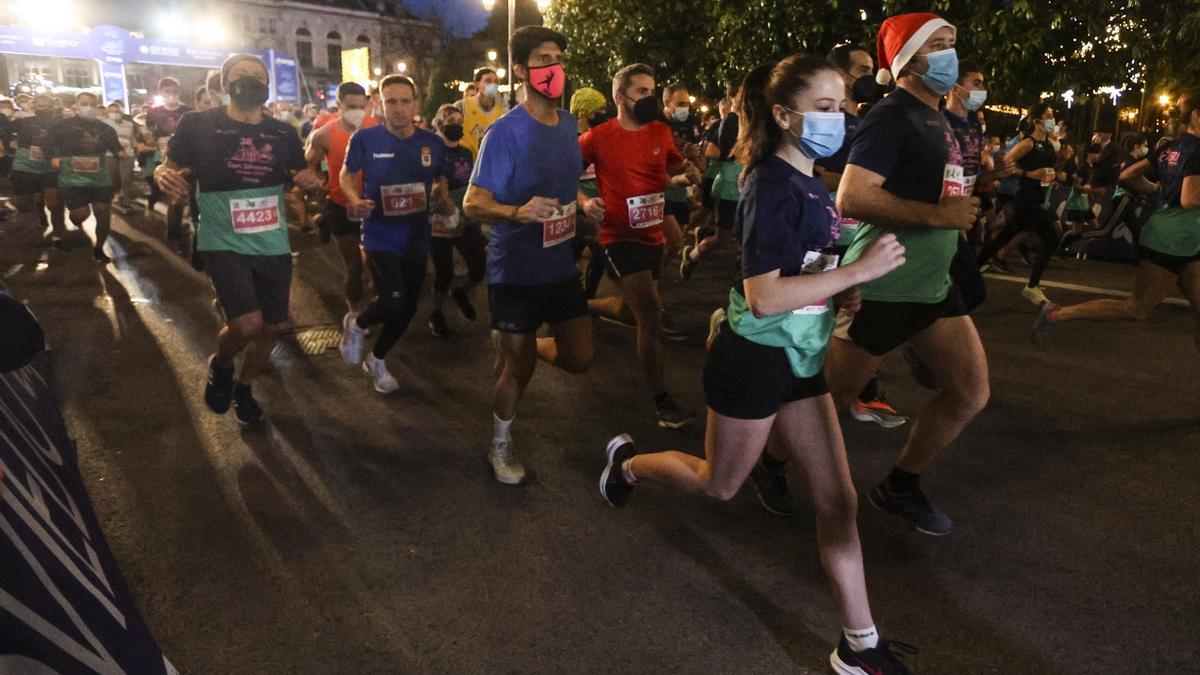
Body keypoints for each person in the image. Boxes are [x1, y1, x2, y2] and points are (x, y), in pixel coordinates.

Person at [598, 54, 916, 674]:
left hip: (799, 362)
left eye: (841, 106)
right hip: (753, 360)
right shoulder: (771, 183)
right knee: (719, 484)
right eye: (824, 108)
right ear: (782, 115)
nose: (839, 118)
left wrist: (838, 287)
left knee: (838, 500)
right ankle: (628, 464)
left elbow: (803, 273)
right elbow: (765, 294)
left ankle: (860, 644)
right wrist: (861, 270)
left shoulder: (810, 182)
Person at [826, 12, 987, 537]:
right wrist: (939, 216)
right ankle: (770, 464)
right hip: (886, 283)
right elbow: (852, 196)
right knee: (826, 400)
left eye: (951, 43)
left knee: (968, 393)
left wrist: (955, 214)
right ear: (907, 61)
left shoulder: (945, 116)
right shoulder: (891, 114)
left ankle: (900, 484)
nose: (949, 55)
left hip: (934, 285)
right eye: (937, 45)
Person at [154, 54, 322, 425]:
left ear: (268, 86)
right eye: (241, 74)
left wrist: (310, 182)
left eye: (258, 76)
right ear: (224, 83)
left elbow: (301, 174)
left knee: (272, 327)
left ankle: (244, 389)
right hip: (222, 239)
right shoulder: (198, 124)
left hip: (272, 241)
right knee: (246, 326)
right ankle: (223, 362)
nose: (251, 80)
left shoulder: (282, 132)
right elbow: (168, 163)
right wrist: (163, 174)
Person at [463, 26, 596, 485]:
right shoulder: (503, 134)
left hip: (559, 266)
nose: (553, 67)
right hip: (514, 270)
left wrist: (582, 202)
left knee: (580, 357)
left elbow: (566, 183)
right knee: (516, 369)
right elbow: (473, 203)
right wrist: (517, 211)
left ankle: (524, 347)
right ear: (519, 70)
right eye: (542, 59)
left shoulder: (569, 127)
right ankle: (500, 444)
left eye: (557, 57)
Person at [1033, 87, 1200, 350]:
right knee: (1137, 308)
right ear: (1196, 116)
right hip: (1170, 243)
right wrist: (1166, 193)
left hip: (1186, 241)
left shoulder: (1172, 147)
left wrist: (1158, 190)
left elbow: (1128, 175)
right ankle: (1056, 314)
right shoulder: (1197, 150)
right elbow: (1191, 198)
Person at [582, 64, 698, 428]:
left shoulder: (661, 132)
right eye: (643, 92)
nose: (650, 98)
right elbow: (564, 173)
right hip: (617, 237)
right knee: (650, 316)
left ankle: (583, 305)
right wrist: (584, 203)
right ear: (620, 97)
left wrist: (688, 173)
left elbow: (667, 174)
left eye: (652, 90)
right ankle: (662, 401)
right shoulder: (597, 138)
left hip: (653, 236)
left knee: (636, 312)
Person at [337, 75, 453, 393]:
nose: (399, 109)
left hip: (416, 235)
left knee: (409, 307)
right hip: (379, 233)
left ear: (416, 104)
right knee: (394, 296)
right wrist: (354, 199)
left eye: (405, 101)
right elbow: (346, 174)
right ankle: (357, 323)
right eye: (391, 102)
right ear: (381, 103)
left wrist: (444, 200)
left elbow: (440, 179)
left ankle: (377, 359)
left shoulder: (431, 143)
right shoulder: (365, 139)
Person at [975, 102, 1062, 306]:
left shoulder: (1049, 143)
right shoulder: (1028, 143)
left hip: (1038, 197)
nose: (1053, 120)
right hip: (1026, 199)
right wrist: (1028, 173)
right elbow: (1007, 162)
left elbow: (1047, 169)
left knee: (1004, 237)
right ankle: (1032, 287)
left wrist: (1058, 172)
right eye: (1049, 116)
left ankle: (974, 266)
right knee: (1051, 238)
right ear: (1038, 120)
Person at [305, 81, 378, 315]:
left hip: (373, 204)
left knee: (376, 261)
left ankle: (374, 298)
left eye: (361, 105)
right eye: (351, 106)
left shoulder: (376, 127)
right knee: (353, 264)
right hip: (341, 205)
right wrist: (321, 182)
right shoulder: (324, 135)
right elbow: (309, 163)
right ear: (339, 105)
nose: (357, 110)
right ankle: (356, 313)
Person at [427, 102, 486, 337]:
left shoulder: (465, 151)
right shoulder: (433, 152)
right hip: (441, 219)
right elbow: (436, 187)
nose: (457, 127)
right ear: (440, 125)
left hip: (465, 218)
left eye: (460, 123)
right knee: (443, 273)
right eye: (452, 123)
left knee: (479, 267)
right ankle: (436, 313)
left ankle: (460, 292)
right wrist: (451, 213)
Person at [46, 92, 126, 263]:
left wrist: (121, 152)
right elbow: (47, 144)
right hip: (72, 178)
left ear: (96, 107)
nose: (88, 107)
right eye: (84, 103)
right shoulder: (62, 126)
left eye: (91, 104)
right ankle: (74, 220)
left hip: (99, 178)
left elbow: (116, 148)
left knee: (102, 211)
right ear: (76, 104)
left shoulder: (106, 129)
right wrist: (52, 157)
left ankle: (99, 248)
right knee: (80, 214)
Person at [8, 94, 67, 244]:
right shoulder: (22, 122)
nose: (44, 108)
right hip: (24, 167)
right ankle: (33, 233)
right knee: (24, 203)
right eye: (40, 105)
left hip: (49, 168)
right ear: (33, 106)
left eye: (47, 105)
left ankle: (58, 234)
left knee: (54, 202)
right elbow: (4, 129)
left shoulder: (61, 125)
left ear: (53, 107)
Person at [145, 77, 193, 248]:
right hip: (165, 158)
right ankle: (174, 232)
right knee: (175, 196)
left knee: (188, 195)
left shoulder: (189, 111)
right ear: (161, 92)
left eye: (174, 91)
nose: (171, 94)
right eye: (167, 91)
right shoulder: (153, 112)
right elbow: (149, 134)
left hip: (186, 156)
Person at [459, 67, 506, 160]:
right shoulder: (463, 106)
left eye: (496, 82)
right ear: (477, 84)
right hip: (466, 165)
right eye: (488, 81)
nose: (493, 85)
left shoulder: (501, 112)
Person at [102, 100, 138, 213]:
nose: (115, 113)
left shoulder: (129, 125)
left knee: (126, 179)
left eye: (117, 111)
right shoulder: (103, 124)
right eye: (112, 111)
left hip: (127, 154)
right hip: (110, 155)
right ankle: (111, 199)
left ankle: (127, 203)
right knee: (112, 179)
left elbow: (132, 140)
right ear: (108, 112)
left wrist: (134, 151)